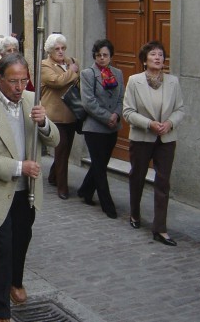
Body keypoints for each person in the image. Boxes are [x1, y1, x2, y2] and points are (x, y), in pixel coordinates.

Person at [0, 53, 60, 322]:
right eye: (13, 81)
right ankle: (0, 309)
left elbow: (54, 140)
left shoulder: (33, 101)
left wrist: (43, 123)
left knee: (22, 239)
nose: (20, 87)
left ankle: (15, 282)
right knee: (3, 247)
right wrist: (20, 167)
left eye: (24, 80)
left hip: (27, 190)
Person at [123, 41, 184, 246]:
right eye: (153, 55)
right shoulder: (134, 81)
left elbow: (180, 110)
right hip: (142, 138)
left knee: (163, 182)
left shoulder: (173, 82)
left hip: (166, 139)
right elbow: (128, 112)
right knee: (137, 177)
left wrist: (169, 123)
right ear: (145, 59)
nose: (157, 58)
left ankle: (160, 229)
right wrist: (149, 124)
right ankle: (135, 214)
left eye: (160, 55)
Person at [77, 39, 124, 219]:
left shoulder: (118, 74)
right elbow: (88, 102)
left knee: (101, 163)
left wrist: (116, 115)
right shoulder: (88, 74)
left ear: (111, 56)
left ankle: (85, 190)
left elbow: (121, 98)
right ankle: (107, 205)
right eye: (98, 55)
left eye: (105, 55)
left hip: (113, 127)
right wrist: (107, 117)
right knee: (99, 166)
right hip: (94, 127)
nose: (102, 58)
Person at [40, 33, 80, 199]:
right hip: (55, 114)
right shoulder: (44, 65)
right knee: (61, 150)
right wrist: (71, 72)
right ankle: (62, 188)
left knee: (66, 149)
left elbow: (77, 81)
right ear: (50, 51)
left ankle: (52, 175)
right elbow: (56, 82)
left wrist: (72, 72)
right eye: (57, 49)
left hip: (71, 112)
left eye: (63, 48)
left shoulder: (72, 62)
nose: (61, 52)